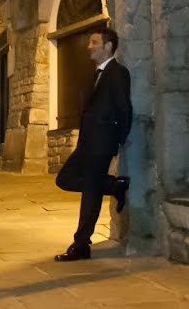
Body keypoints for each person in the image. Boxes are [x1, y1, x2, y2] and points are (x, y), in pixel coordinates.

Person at [54, 26, 132, 262]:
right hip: (87, 142)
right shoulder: (96, 73)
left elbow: (124, 108)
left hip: (102, 142)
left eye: (94, 42)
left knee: (90, 190)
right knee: (64, 179)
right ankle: (114, 185)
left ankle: (81, 244)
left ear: (108, 46)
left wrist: (119, 139)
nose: (89, 47)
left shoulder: (118, 73)